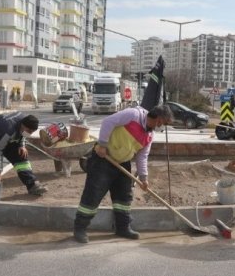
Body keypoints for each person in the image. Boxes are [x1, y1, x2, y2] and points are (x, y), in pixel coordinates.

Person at [73, 104, 173, 243]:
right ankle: (80, 228)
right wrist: (102, 144)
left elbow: (142, 156)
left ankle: (122, 227)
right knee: (93, 194)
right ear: (158, 119)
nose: (161, 126)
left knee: (124, 198)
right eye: (162, 123)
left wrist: (144, 177)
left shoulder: (149, 135)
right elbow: (108, 122)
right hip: (103, 158)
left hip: (123, 163)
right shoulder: (133, 115)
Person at [0, 112, 47, 200]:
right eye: (29, 131)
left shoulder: (26, 121)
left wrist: (21, 145)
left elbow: (23, 135)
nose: (30, 134)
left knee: (21, 156)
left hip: (3, 136)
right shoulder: (8, 130)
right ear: (23, 126)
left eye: (32, 132)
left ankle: (33, 185)